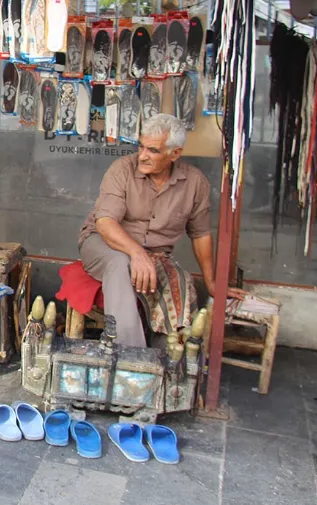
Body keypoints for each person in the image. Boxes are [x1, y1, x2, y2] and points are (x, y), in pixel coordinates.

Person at [78, 113, 215, 347]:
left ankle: (164, 359)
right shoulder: (122, 169)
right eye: (140, 146)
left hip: (156, 254)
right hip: (102, 243)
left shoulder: (194, 183)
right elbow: (106, 222)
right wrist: (137, 254)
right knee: (120, 264)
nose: (142, 156)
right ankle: (128, 354)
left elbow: (200, 233)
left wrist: (211, 282)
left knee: (178, 283)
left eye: (152, 150)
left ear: (175, 153)